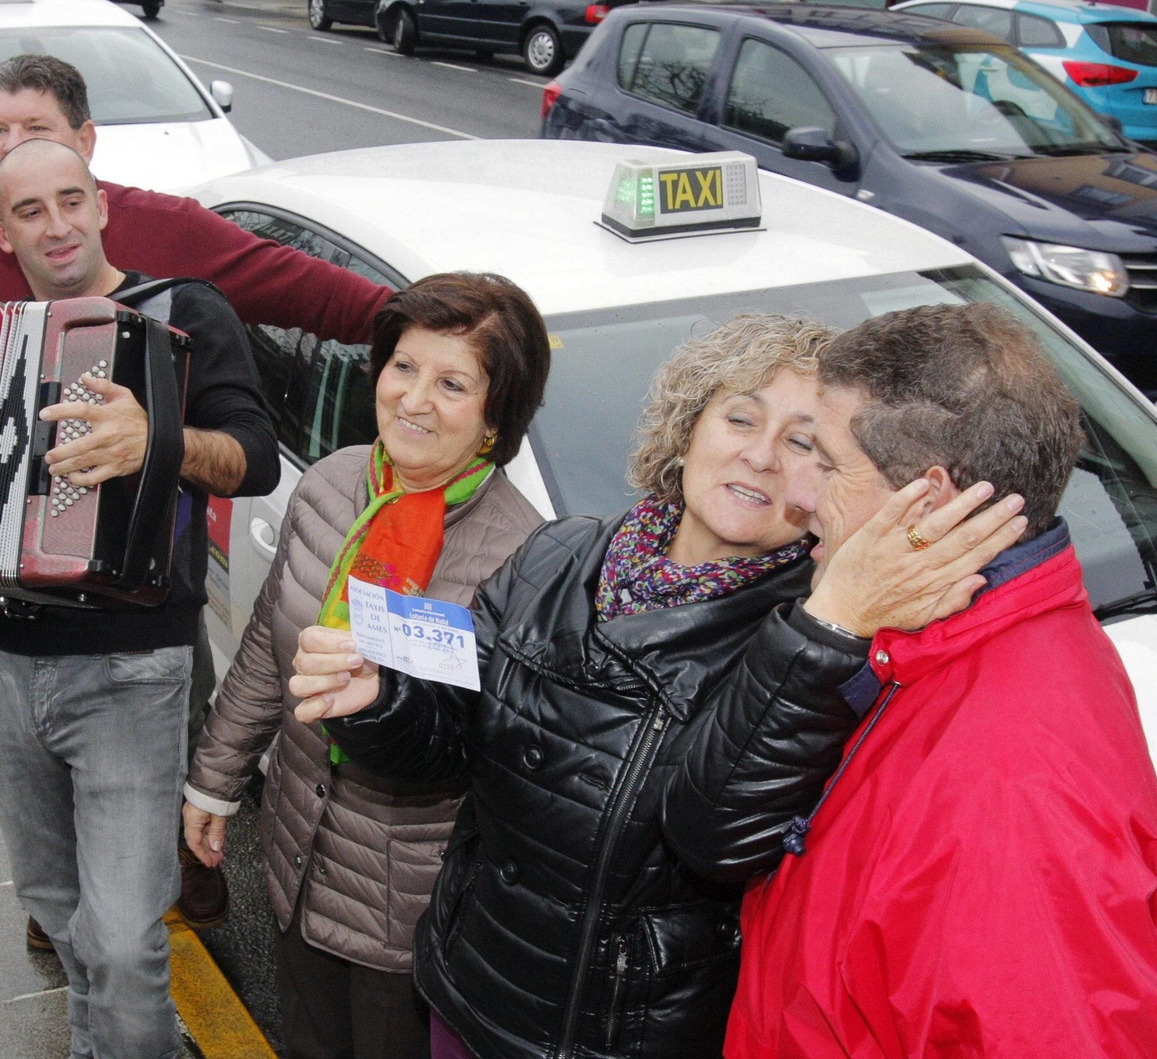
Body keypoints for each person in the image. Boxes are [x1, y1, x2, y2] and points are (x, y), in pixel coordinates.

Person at [286, 313, 1027, 1059]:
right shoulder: (561, 549)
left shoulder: (822, 640)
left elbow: (719, 837)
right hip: (472, 985)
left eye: (803, 442)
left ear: (831, 474)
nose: (762, 456)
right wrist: (379, 702)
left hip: (620, 1037)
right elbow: (450, 736)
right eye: (740, 416)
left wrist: (821, 634)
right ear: (688, 425)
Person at [0, 52, 393, 938]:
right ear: (0, 220)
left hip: (140, 631)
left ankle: (181, 888)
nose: (18, 156)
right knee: (54, 884)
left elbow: (293, 303)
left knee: (135, 898)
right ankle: (83, 915)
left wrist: (422, 320)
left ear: (89, 161)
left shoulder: (175, 258)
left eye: (39, 135)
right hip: (8, 639)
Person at [673, 302, 1157, 1059]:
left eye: (827, 463)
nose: (800, 497)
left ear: (926, 501)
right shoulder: (935, 642)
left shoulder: (1009, 790)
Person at [0, 137, 278, 1059]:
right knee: (54, 908)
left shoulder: (186, 310)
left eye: (72, 199)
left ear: (101, 204)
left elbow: (255, 458)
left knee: (124, 939)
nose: (56, 224)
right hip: (5, 668)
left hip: (134, 669)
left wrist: (160, 439)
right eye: (30, 210)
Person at [182, 273, 552, 1059]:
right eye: (403, 367)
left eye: (453, 383)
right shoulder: (329, 484)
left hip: (407, 903)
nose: (414, 400)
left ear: (496, 417)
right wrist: (214, 777)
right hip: (296, 857)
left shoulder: (523, 557)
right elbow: (263, 651)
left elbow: (499, 753)